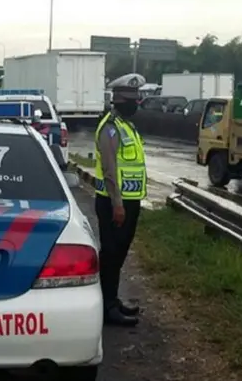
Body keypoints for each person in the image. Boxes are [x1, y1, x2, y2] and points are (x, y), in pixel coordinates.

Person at [93, 73, 147, 327]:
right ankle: (107, 308)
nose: (136, 104)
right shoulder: (111, 128)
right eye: (132, 100)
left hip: (129, 202)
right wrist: (117, 205)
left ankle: (113, 301)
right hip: (114, 203)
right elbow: (110, 169)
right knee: (111, 255)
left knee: (119, 255)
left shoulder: (127, 126)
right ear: (120, 100)